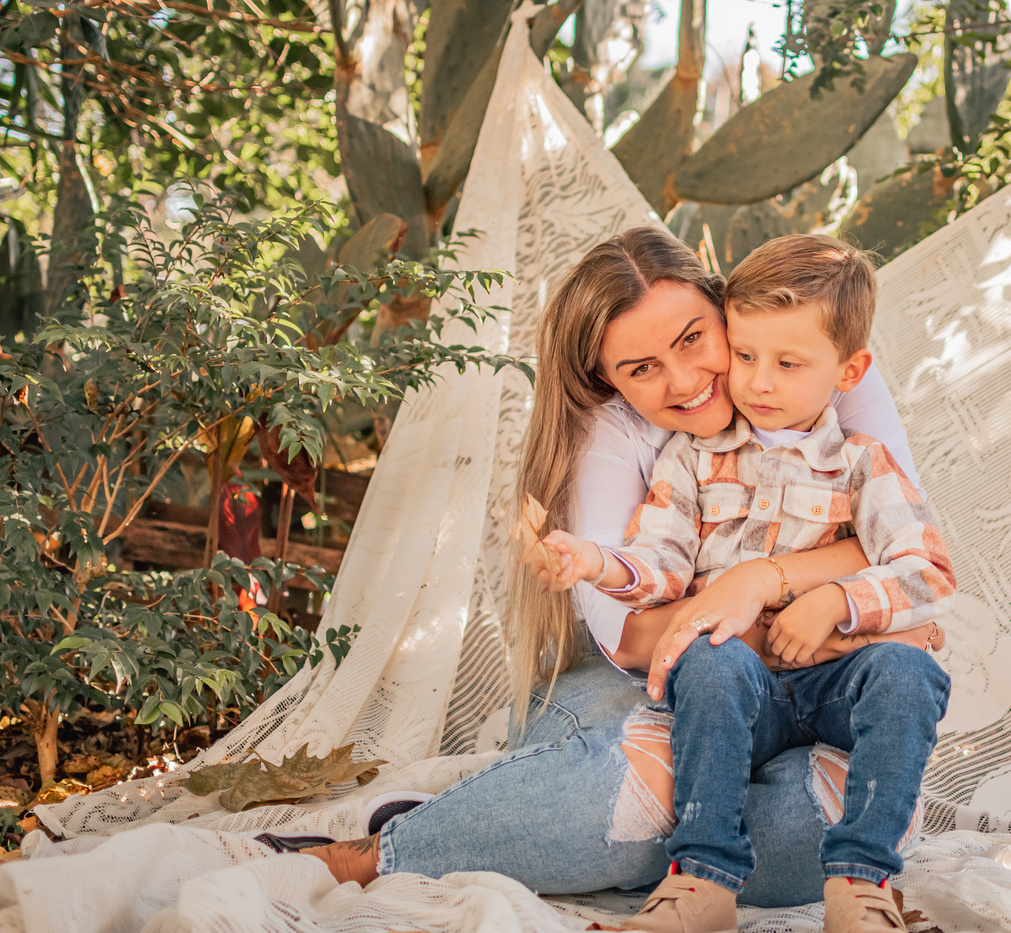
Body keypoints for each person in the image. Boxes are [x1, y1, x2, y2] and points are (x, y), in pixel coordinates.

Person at [296, 227, 943, 908]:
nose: (685, 381)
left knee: (856, 811)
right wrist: (794, 622)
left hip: (787, 682)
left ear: (725, 308)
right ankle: (389, 848)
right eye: (641, 368)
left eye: (694, 338)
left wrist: (764, 583)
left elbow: (902, 541)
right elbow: (632, 637)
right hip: (635, 677)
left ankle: (586, 844)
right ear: (608, 378)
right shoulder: (619, 435)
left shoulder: (808, 358)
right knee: (650, 792)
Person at [539, 235, 954, 933]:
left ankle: (861, 884)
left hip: (835, 679)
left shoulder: (863, 463)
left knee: (908, 672)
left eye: (787, 364)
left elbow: (929, 570)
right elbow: (662, 565)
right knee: (710, 654)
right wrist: (594, 563)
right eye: (747, 356)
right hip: (738, 691)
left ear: (849, 371)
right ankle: (703, 880)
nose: (759, 383)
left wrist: (838, 602)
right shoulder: (689, 461)